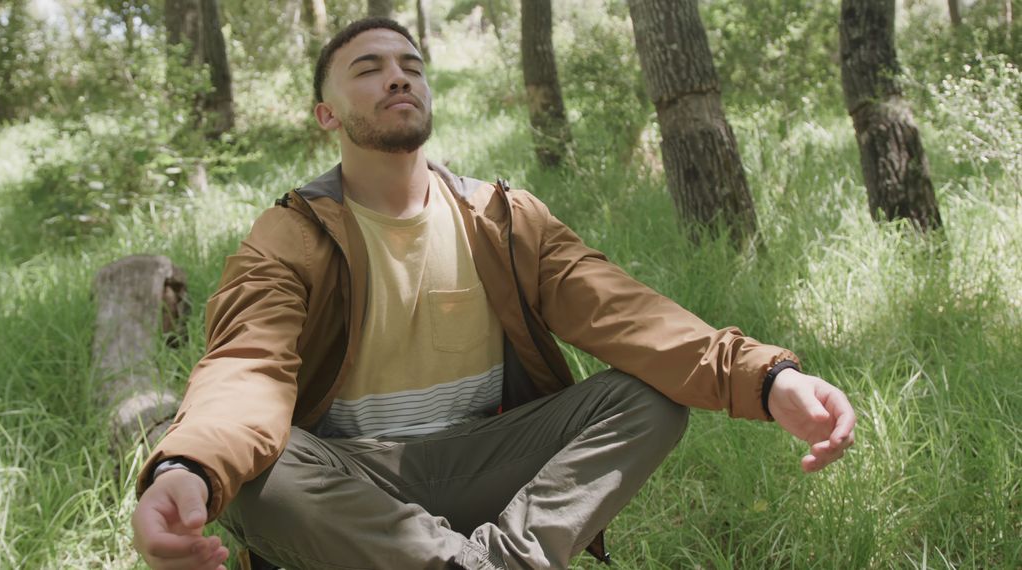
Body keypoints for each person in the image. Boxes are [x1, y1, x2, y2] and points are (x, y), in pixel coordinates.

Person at [131, 18, 856, 570]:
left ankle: (496, 558)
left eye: (412, 66)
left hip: (489, 456)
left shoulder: (503, 218)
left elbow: (626, 314)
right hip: (356, 477)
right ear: (326, 115)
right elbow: (246, 366)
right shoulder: (292, 233)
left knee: (650, 394)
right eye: (369, 68)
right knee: (259, 478)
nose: (399, 78)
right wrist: (185, 466)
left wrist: (769, 378)